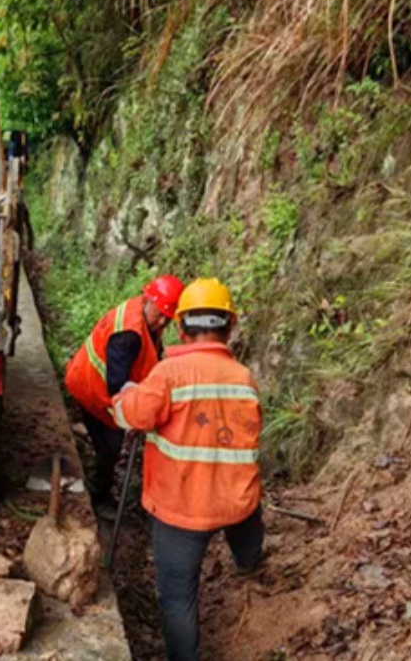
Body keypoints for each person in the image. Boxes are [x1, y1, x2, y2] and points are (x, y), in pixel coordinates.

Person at [111, 278, 263, 661]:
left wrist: (126, 395)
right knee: (247, 524)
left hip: (182, 509)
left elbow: (131, 415)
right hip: (235, 500)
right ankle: (249, 563)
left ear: (180, 327)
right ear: (230, 326)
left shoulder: (168, 375)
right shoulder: (244, 379)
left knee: (178, 596)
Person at [63, 275, 184, 518]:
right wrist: (137, 413)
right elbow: (117, 385)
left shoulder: (144, 315)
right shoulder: (128, 335)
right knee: (111, 445)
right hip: (92, 389)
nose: (162, 322)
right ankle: (98, 495)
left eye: (168, 318)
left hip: (95, 381)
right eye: (160, 315)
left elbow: (150, 356)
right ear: (148, 301)